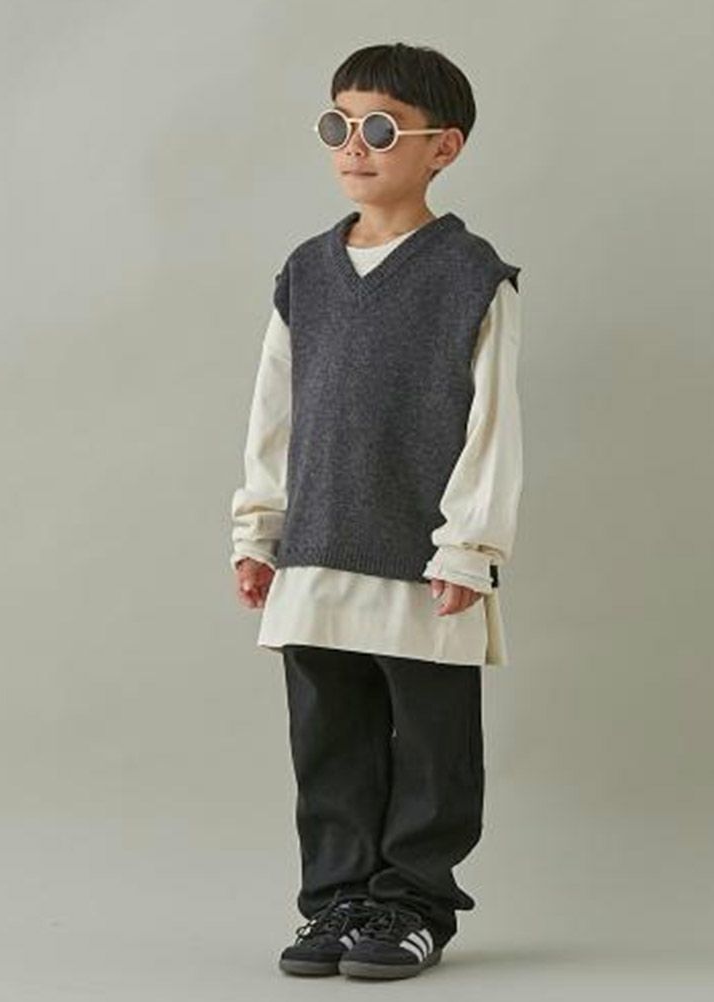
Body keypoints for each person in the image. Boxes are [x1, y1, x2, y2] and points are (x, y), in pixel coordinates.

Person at [228, 42, 523, 980]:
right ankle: (338, 899)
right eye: (340, 125)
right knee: (329, 739)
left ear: (444, 147)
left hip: (421, 556)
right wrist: (259, 530)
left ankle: (414, 903)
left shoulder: (471, 275)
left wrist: (469, 548)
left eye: (383, 128)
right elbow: (274, 412)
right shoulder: (305, 273)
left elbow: (492, 424)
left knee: (432, 742)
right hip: (316, 547)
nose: (355, 145)